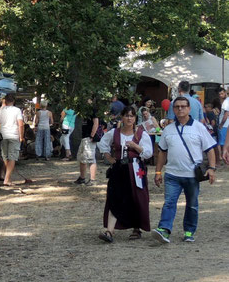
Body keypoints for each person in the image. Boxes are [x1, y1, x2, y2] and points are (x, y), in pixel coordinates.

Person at [152, 97, 217, 244]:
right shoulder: (168, 129)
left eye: (183, 106)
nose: (180, 109)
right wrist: (157, 172)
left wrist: (212, 168)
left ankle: (189, 231)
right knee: (169, 203)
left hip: (192, 175)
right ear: (173, 110)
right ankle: (164, 230)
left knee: (192, 204)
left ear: (189, 109)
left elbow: (210, 149)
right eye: (177, 107)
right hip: (172, 174)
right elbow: (162, 152)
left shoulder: (199, 128)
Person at [97, 106, 153, 242]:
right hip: (119, 169)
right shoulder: (114, 133)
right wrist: (110, 158)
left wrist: (135, 146)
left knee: (137, 197)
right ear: (122, 117)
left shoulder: (141, 134)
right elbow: (102, 143)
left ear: (135, 118)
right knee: (114, 197)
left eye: (132, 116)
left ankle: (137, 227)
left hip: (135, 168)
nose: (129, 118)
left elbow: (148, 153)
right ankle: (110, 231)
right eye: (127, 115)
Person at [0, 94, 24, 186]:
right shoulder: (17, 110)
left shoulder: (1, 111)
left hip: (3, 135)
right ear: (13, 101)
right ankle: (7, 179)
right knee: (12, 157)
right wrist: (21, 136)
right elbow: (20, 124)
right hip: (13, 135)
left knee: (5, 156)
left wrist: (0, 132)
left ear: (5, 101)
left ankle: (7, 177)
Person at [75, 105, 100, 186]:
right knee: (82, 158)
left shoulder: (93, 109)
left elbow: (96, 123)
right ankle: (82, 178)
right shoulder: (84, 110)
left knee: (91, 159)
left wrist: (92, 136)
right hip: (84, 137)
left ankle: (92, 180)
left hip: (89, 137)